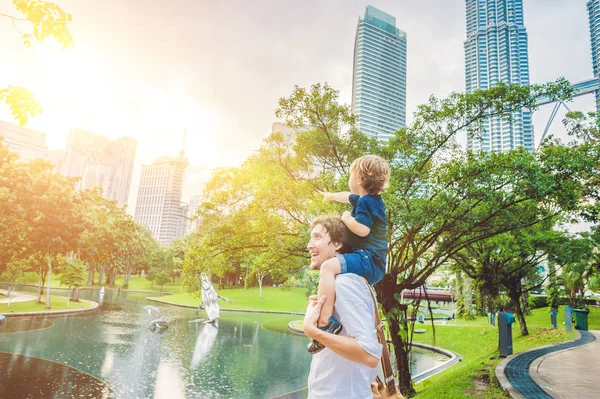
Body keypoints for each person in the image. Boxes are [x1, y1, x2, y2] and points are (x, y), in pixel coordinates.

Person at [308, 154, 390, 354]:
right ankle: (327, 310)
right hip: (371, 260)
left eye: (351, 175)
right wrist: (331, 196)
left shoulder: (365, 204)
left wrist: (346, 217)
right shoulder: (369, 200)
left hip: (369, 258)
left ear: (360, 179)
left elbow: (363, 230)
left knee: (328, 267)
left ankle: (326, 322)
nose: (349, 180)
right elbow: (347, 196)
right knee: (332, 269)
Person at [304, 216, 382, 398]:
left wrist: (313, 331)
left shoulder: (344, 283)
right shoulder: (337, 283)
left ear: (337, 243)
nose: (309, 244)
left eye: (317, 237)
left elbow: (369, 354)